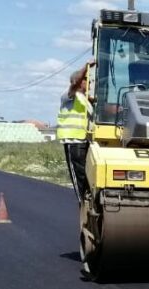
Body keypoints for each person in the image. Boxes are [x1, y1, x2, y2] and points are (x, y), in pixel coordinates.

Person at [58, 61, 95, 204]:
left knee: (88, 175)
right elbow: (74, 82)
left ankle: (90, 200)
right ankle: (83, 204)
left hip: (85, 141)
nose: (90, 83)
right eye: (87, 80)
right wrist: (87, 67)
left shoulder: (87, 100)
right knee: (78, 177)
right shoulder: (69, 96)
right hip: (73, 141)